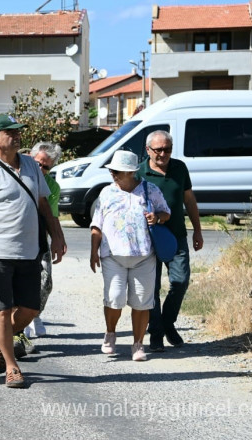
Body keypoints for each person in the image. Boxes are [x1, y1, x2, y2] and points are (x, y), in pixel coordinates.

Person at [0, 114, 66, 388]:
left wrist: (56, 236)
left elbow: (44, 204)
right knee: (2, 309)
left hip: (30, 251)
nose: (17, 135)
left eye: (18, 131)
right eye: (10, 132)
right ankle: (12, 366)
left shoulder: (33, 167)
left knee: (31, 308)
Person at [89, 150, 171, 362]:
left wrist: (157, 217)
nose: (113, 174)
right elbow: (96, 224)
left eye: (118, 171)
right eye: (112, 170)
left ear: (131, 172)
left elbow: (166, 212)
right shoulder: (106, 193)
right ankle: (110, 333)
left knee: (142, 302)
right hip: (113, 255)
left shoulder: (149, 189)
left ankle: (138, 344)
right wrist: (93, 252)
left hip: (144, 255)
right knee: (114, 298)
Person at [138, 130, 204, 352]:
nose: (163, 154)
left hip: (176, 235)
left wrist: (197, 230)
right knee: (152, 288)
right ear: (148, 150)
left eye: (167, 149)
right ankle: (156, 333)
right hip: (148, 240)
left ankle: (168, 323)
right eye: (158, 150)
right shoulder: (139, 172)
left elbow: (189, 199)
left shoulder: (179, 168)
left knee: (180, 281)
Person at [24, 141, 63, 338]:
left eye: (45, 166)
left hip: (40, 239)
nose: (40, 168)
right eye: (38, 163)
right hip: (19, 240)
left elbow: (53, 216)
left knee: (46, 282)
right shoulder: (19, 176)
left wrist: (58, 239)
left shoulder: (52, 186)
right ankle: (22, 323)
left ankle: (34, 314)